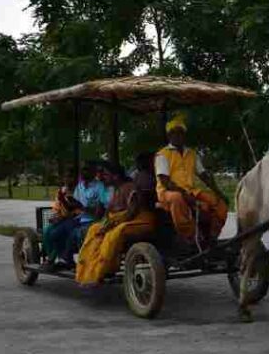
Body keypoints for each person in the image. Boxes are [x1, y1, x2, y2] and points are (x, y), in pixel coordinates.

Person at [75, 161, 158, 286]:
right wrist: (104, 224)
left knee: (113, 234)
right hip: (120, 221)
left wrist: (112, 224)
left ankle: (104, 270)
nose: (102, 177)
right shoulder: (116, 190)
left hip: (139, 220)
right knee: (94, 229)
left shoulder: (130, 187)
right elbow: (109, 213)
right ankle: (87, 273)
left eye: (106, 175)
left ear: (116, 176)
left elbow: (132, 212)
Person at [154, 115, 228, 244]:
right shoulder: (162, 154)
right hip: (167, 192)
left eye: (180, 133)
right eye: (174, 133)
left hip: (191, 190)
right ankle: (189, 235)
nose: (177, 136)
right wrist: (185, 195)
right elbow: (165, 182)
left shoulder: (192, 153)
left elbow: (203, 175)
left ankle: (212, 234)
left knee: (218, 202)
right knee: (177, 198)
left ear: (184, 135)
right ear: (169, 136)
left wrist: (218, 191)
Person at [59, 163, 111, 266]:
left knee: (77, 233)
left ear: (93, 172)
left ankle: (82, 262)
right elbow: (73, 207)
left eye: (86, 169)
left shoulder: (99, 187)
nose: (83, 172)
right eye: (82, 170)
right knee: (59, 229)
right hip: (80, 219)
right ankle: (63, 258)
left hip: (94, 220)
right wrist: (63, 200)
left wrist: (81, 207)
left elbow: (101, 211)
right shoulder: (80, 186)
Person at [41, 168, 82, 263]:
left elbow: (77, 211)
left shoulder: (79, 191)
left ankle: (57, 258)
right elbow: (57, 206)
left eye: (70, 177)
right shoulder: (62, 191)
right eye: (66, 177)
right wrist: (55, 216)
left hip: (73, 220)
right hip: (61, 219)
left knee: (57, 233)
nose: (68, 180)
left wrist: (64, 216)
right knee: (47, 231)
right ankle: (51, 256)